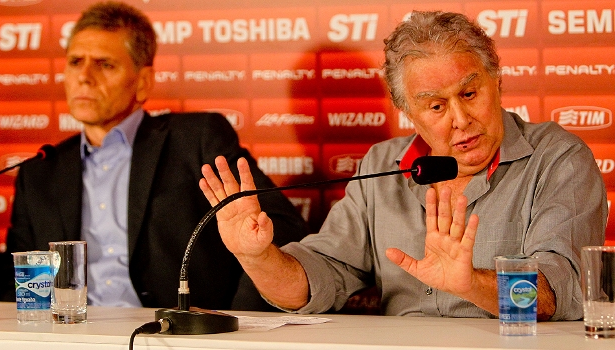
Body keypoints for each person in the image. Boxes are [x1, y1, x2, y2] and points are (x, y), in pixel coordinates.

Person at [199, 10, 607, 320]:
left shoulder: (557, 158)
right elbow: (322, 277)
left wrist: (474, 285)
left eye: (469, 93)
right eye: (435, 106)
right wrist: (256, 257)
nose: (461, 120)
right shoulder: (383, 164)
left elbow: (563, 292)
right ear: (407, 111)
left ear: (497, 81)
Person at [1, 1, 309, 310]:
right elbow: (20, 280)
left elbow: (276, 228)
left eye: (105, 64)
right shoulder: (40, 170)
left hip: (176, 336)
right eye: (75, 61)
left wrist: (232, 323)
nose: (85, 76)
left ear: (144, 81)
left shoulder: (196, 140)